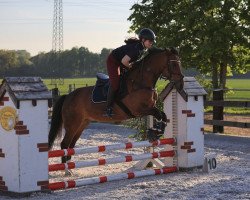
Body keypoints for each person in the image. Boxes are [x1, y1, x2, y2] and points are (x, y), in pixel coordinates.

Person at [105, 28, 156, 117]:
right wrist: (131, 67)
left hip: (121, 61)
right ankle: (108, 108)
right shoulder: (136, 49)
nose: (151, 43)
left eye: (152, 41)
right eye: (150, 41)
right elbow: (124, 61)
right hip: (113, 61)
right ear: (143, 40)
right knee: (115, 84)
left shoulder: (142, 48)